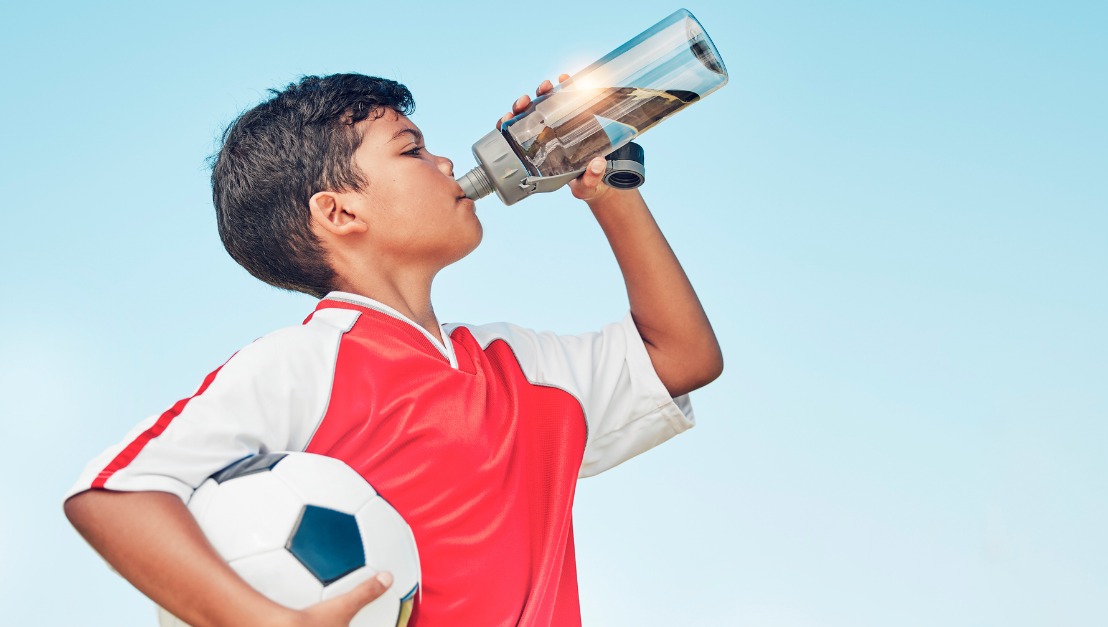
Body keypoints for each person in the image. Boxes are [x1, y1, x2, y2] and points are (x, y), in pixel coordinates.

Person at [63, 72, 722, 627]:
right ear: (340, 213)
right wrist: (263, 618)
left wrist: (610, 190)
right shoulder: (305, 363)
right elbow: (114, 492)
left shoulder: (519, 364)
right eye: (411, 151)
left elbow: (683, 356)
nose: (444, 164)